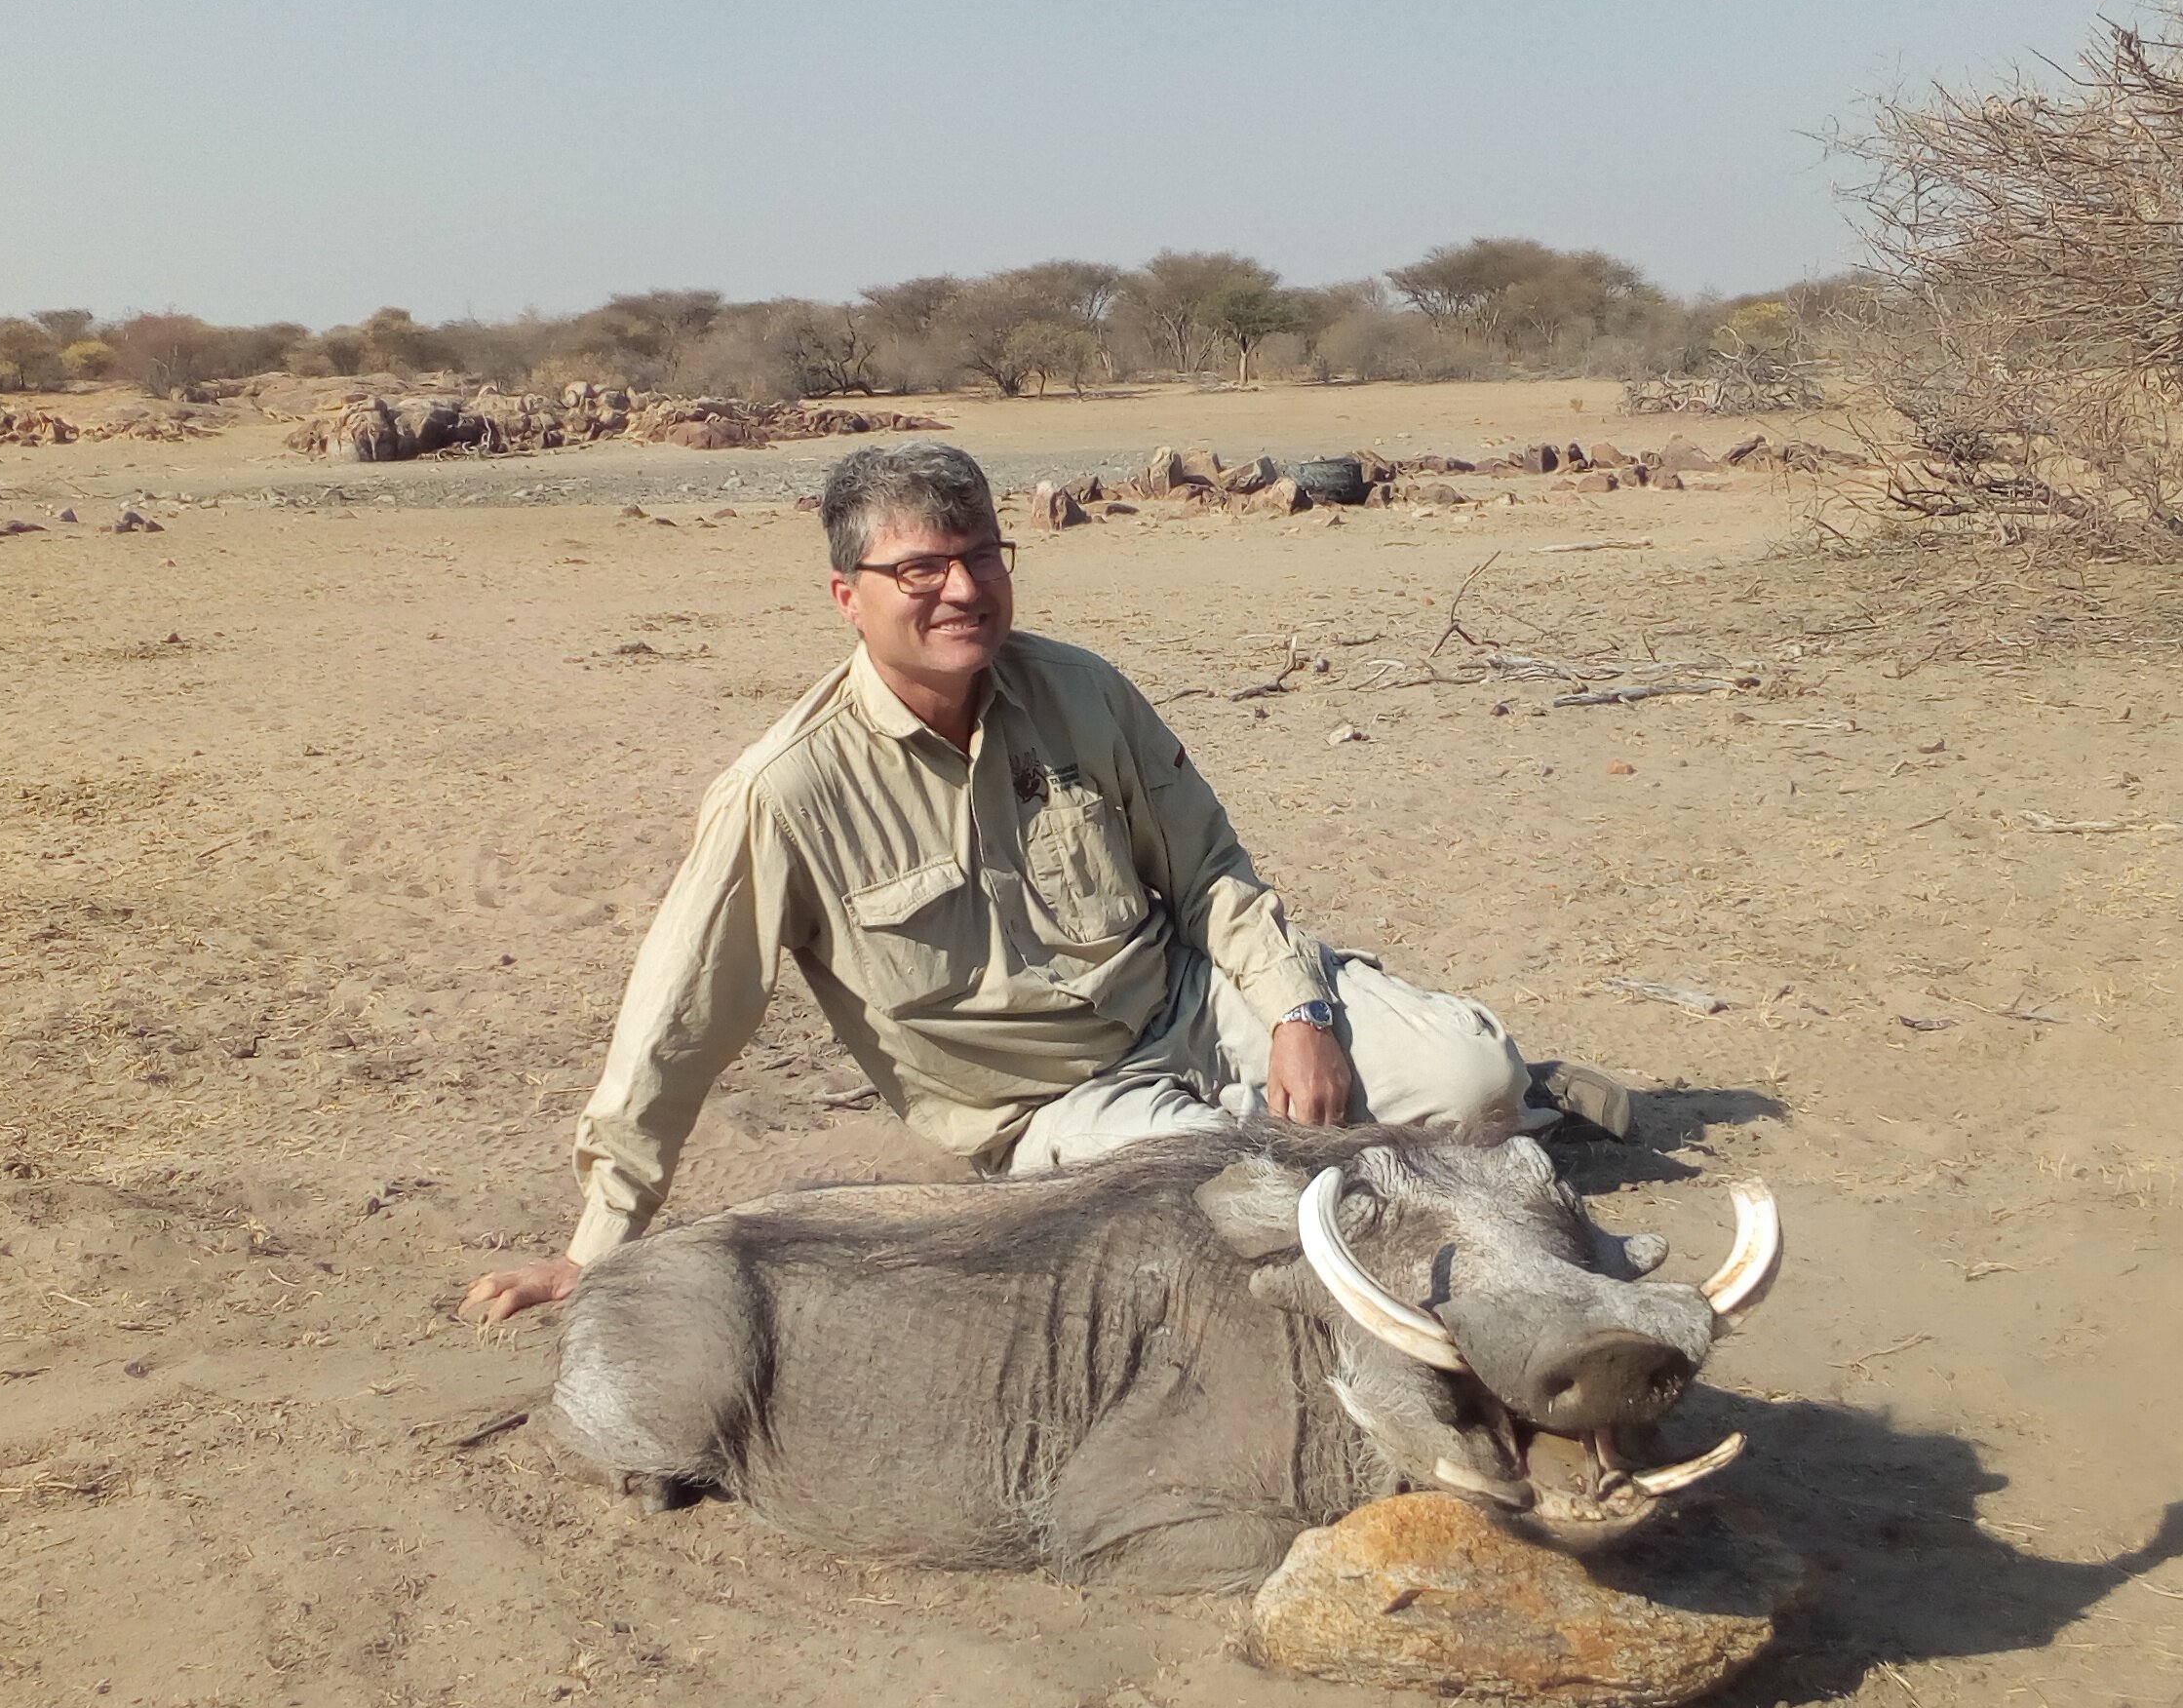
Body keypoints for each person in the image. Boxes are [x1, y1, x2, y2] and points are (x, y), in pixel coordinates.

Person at [461, 439, 1617, 1324]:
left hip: (1191, 1004)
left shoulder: (1084, 693)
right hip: (1054, 1110)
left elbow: (1211, 874)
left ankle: (1431, 1107)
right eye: (920, 568)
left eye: (980, 558)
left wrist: (1300, 1014)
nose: (961, 591)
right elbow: (678, 1024)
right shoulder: (783, 793)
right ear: (846, 595)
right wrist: (599, 1244)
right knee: (1231, 1225)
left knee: (1470, 1081)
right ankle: (1360, 1147)